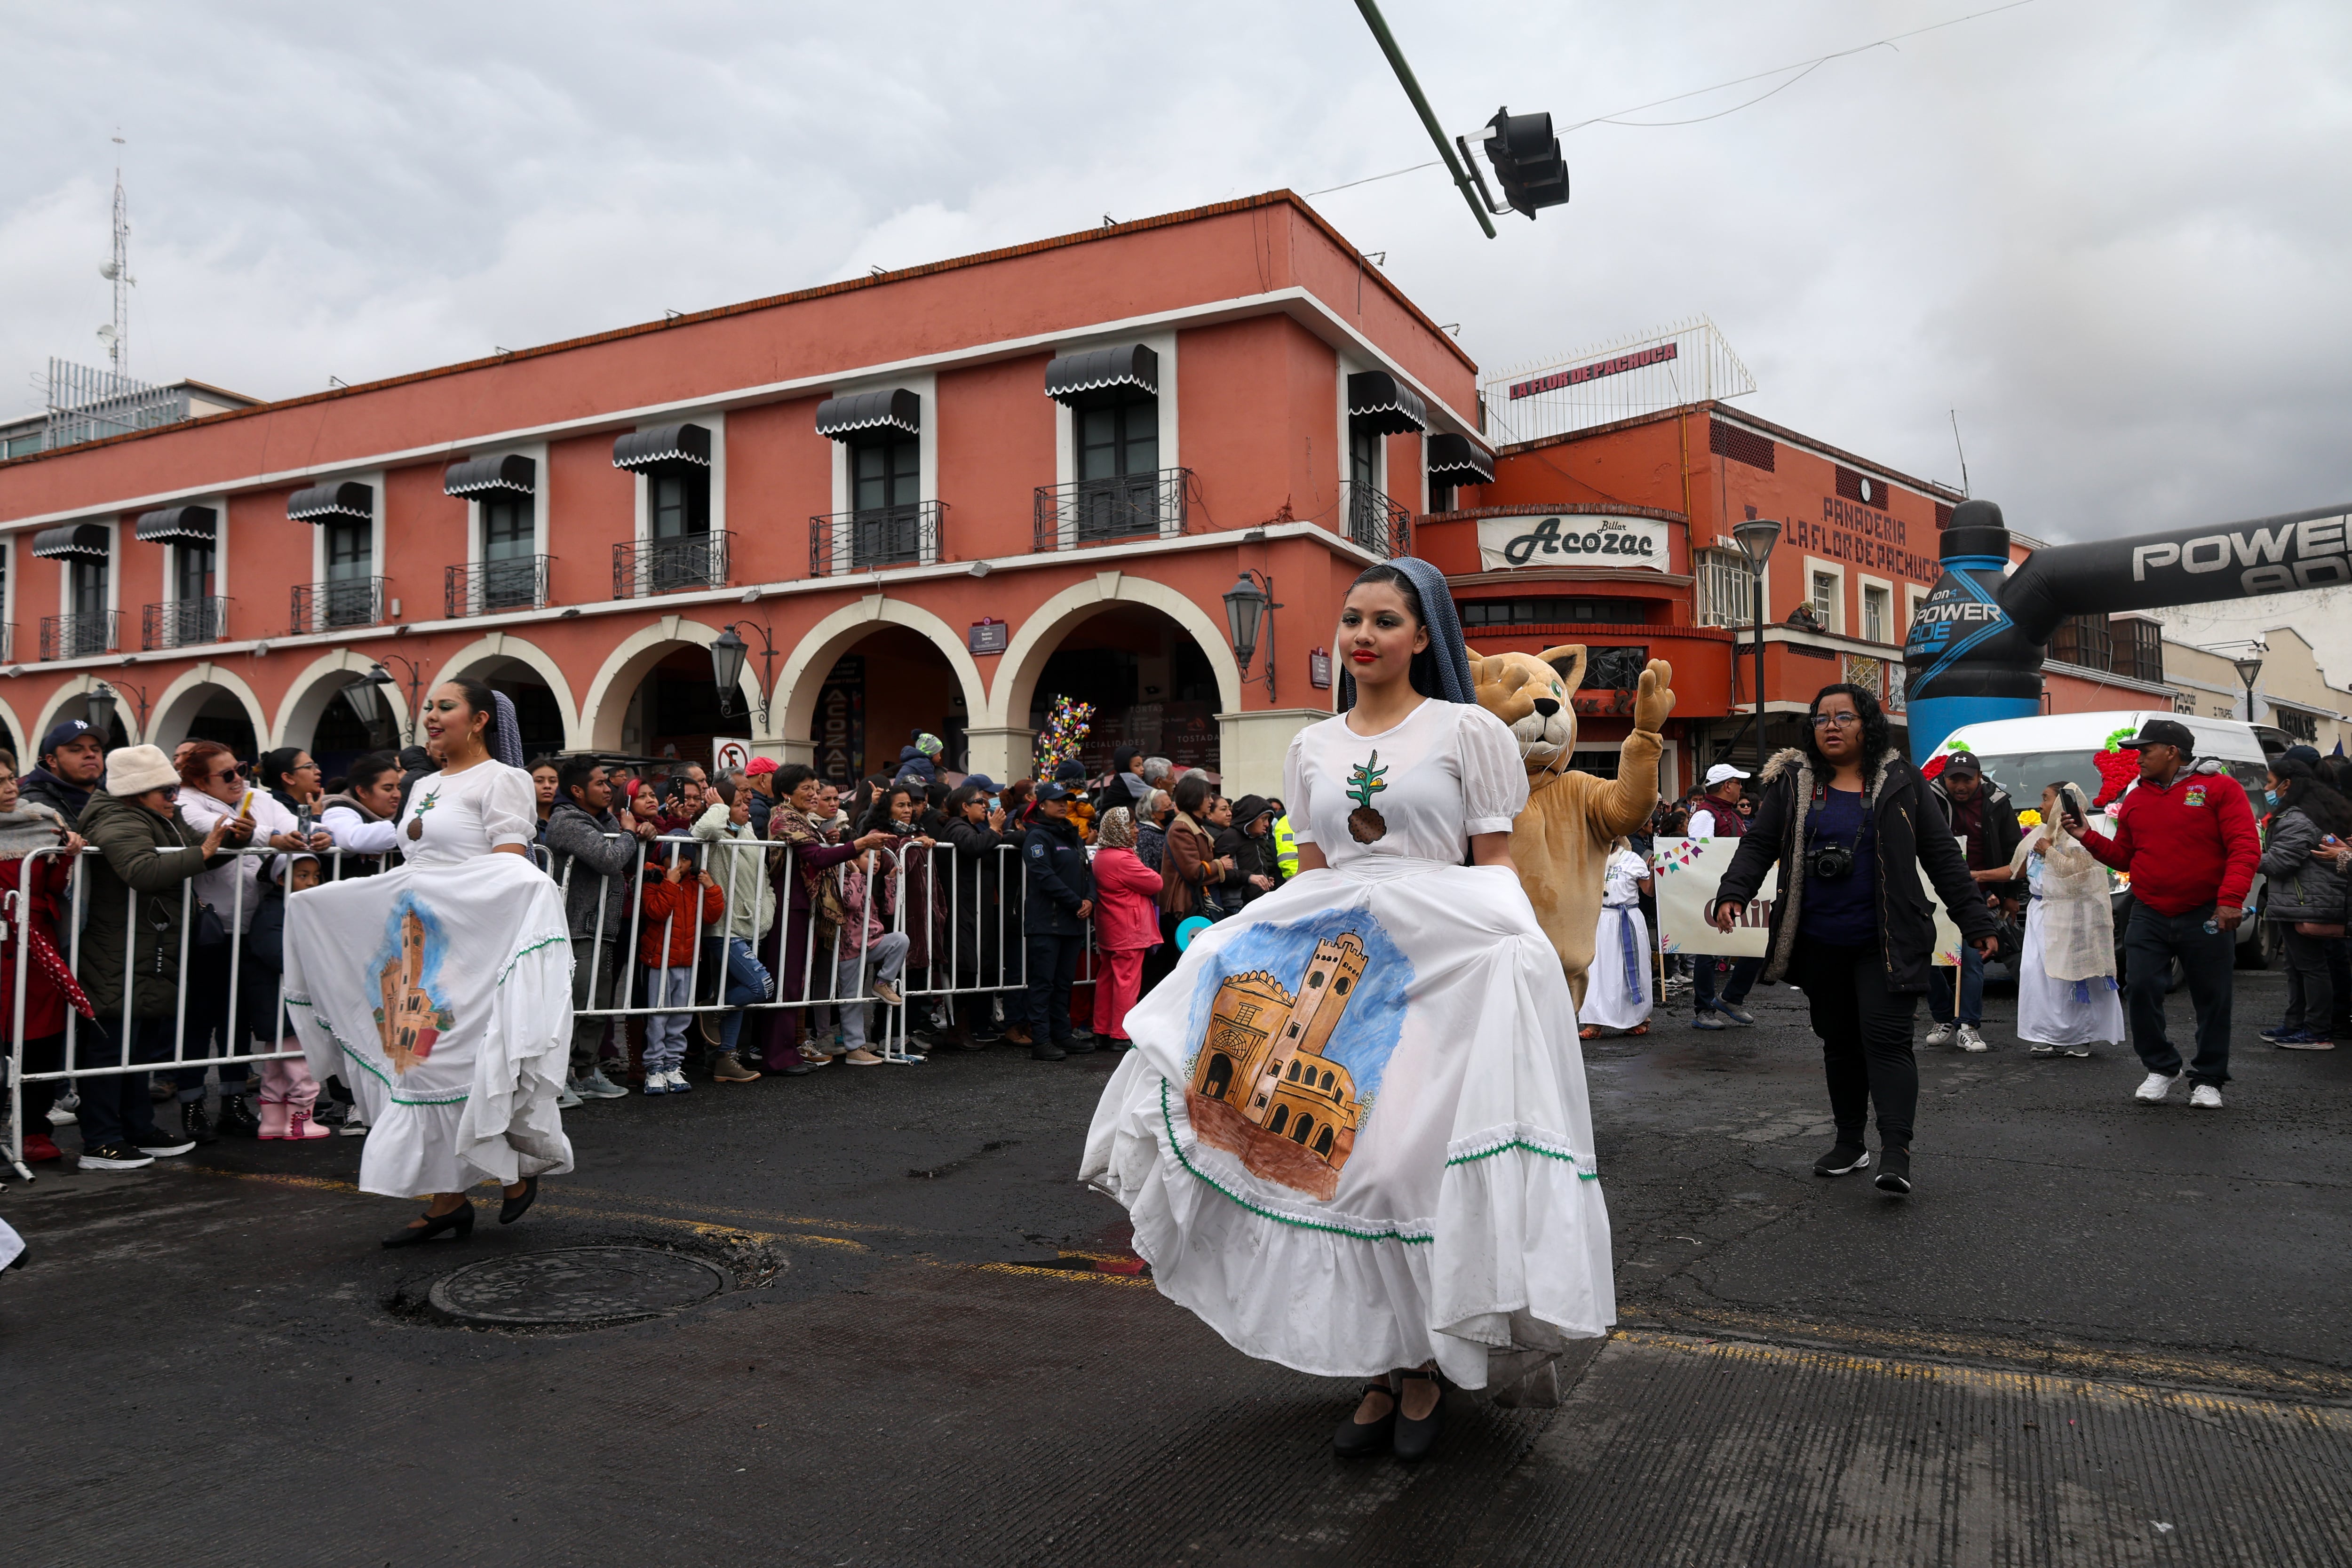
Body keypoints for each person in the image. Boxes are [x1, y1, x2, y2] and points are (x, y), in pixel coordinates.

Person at [1082, 558, 1614, 1464]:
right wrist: (1241, 948)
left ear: (1422, 638)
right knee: (1344, 1171)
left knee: (1407, 1172)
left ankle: (1426, 1367)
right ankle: (1382, 1363)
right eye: (1351, 619)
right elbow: (1317, 875)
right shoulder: (1311, 746)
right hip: (1348, 971)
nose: (1361, 635)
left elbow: (1491, 859)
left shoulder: (1469, 731)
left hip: (1443, 975)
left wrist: (1516, 957)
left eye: (1384, 620)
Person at [278, 679, 574, 1245]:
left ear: (481, 719)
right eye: (429, 708)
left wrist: (526, 899)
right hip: (415, 942)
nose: (431, 716)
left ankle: (495, 1177)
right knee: (417, 1062)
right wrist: (322, 904)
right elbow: (416, 865)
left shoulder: (504, 780)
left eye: (445, 707)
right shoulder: (422, 786)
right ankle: (455, 1198)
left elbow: (508, 867)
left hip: (473, 943)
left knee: (457, 1063)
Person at [1711, 683, 2000, 1196]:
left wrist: (1976, 921)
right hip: (1818, 940)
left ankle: (1895, 1152)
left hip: (1886, 938)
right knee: (1840, 1045)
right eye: (1821, 718)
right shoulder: (1794, 783)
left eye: (1843, 717)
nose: (1831, 726)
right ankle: (1850, 1143)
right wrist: (1733, 892)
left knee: (1886, 1043)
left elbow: (1940, 856)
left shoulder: (1903, 781)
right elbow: (1758, 845)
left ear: (1865, 722)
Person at [2065, 717, 2260, 1108]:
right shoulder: (2136, 797)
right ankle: (2161, 1066)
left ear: (2172, 751)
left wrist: (2230, 899)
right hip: (2150, 909)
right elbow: (2124, 855)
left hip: (2206, 911)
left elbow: (2244, 846)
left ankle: (2208, 1079)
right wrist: (2087, 835)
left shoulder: (2220, 788)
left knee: (2212, 997)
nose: (2138, 758)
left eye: (2145, 750)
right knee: (2140, 988)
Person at [70, 744, 239, 1170]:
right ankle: (102, 1140)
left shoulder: (157, 814)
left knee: (140, 1047)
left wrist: (236, 836)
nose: (174, 797)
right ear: (136, 791)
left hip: (148, 946)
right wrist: (201, 853)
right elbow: (142, 870)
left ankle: (138, 1129)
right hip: (117, 949)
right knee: (111, 1048)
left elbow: (199, 846)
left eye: (174, 789)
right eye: (165, 790)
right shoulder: (116, 817)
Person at [173, 741, 323, 1140]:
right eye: (227, 775)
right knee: (199, 1020)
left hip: (252, 926)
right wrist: (275, 839)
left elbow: (297, 825)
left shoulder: (257, 797)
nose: (239, 778)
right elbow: (218, 832)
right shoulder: (187, 802)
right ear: (200, 781)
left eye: (239, 768)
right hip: (210, 929)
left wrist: (319, 835)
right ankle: (191, 1104)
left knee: (239, 1020)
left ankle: (234, 1100)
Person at [756, 765, 895, 1074]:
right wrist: (857, 846)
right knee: (787, 982)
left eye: (815, 788)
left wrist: (830, 839)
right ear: (786, 792)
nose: (814, 794)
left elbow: (817, 850)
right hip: (790, 907)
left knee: (798, 983)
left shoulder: (801, 820)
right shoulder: (783, 818)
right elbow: (817, 857)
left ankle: (789, 1050)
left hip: (807, 907)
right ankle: (777, 1056)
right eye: (807, 788)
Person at [0, 752, 93, 1166]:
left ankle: (34, 1130)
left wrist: (68, 853)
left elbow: (52, 889)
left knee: (39, 1039)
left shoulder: (42, 820)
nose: (8, 788)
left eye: (9, 779)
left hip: (36, 945)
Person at [544, 757, 652, 1102]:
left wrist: (642, 834)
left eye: (609, 783)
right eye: (599, 783)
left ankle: (587, 1072)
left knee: (598, 1004)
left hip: (603, 925)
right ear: (577, 790)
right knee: (574, 1003)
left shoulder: (606, 821)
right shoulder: (567, 821)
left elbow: (624, 857)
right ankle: (555, 1078)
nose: (609, 789)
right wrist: (630, 834)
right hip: (577, 926)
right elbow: (607, 858)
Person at [2005, 782, 2125, 1059]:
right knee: (2038, 975)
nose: (2040, 805)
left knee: (2070, 978)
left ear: (2061, 804)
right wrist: (1976, 875)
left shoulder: (2079, 839)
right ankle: (2047, 1034)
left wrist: (2050, 852)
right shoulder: (2039, 834)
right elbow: (2017, 870)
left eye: (2045, 799)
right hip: (2041, 914)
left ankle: (2079, 1036)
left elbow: (2079, 874)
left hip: (2072, 917)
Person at [1923, 751, 2024, 1053]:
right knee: (1926, 957)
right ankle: (1943, 1018)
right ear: (1945, 778)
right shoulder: (1928, 798)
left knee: (1970, 957)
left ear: (1979, 778)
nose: (1960, 786)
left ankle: (1968, 1025)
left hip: (1975, 892)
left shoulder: (1998, 803)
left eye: (1967, 779)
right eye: (1954, 779)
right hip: (1930, 888)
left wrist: (2010, 895)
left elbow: (2013, 850)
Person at [2254, 756, 2350, 1050]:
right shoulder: (2309, 812)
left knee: (2310, 967)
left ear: (2287, 784)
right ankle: (2297, 1024)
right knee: (2298, 967)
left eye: (2270, 783)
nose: (2267, 788)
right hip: (2301, 899)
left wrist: (2243, 857)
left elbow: (2281, 862)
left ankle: (2316, 1032)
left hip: (2305, 900)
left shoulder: (2297, 818)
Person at [243, 851, 334, 1139]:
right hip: (286, 1002)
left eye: (316, 876)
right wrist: (313, 968)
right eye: (303, 876)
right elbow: (275, 952)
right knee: (300, 1063)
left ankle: (272, 1121)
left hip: (277, 1001)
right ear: (281, 880)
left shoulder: (286, 907)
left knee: (276, 1063)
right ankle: (299, 1122)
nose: (311, 882)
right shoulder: (276, 911)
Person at [692, 774, 776, 1080]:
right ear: (725, 806)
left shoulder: (747, 831)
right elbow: (704, 829)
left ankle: (725, 1060)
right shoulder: (716, 832)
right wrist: (719, 808)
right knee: (762, 986)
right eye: (739, 803)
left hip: (750, 926)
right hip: (723, 931)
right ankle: (712, 1007)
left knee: (737, 996)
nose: (747, 808)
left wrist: (765, 913)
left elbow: (763, 879)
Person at [636, 850, 725, 1092]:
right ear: (664, 858)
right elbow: (656, 912)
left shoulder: (695, 884)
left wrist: (712, 888)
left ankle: (673, 1065)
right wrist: (670, 884)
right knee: (657, 1016)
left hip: (686, 960)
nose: (681, 864)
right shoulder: (653, 878)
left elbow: (711, 916)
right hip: (659, 960)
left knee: (681, 1016)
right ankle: (654, 1067)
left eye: (686, 859)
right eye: (674, 857)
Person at [1018, 781, 1095, 1060]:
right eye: (1057, 800)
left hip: (1072, 922)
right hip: (1046, 923)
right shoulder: (1037, 837)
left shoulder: (1072, 835)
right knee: (1043, 983)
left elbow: (1088, 872)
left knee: (1064, 983)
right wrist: (1077, 902)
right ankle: (1041, 1040)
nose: (1064, 805)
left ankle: (1062, 1034)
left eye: (1067, 800)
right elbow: (1044, 876)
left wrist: (1090, 899)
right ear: (1042, 805)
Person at [1686, 764, 1762, 1030]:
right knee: (1707, 951)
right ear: (1728, 786)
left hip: (1735, 891)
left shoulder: (1730, 814)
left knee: (1757, 943)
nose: (1741, 787)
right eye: (1738, 782)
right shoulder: (1705, 816)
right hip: (1713, 893)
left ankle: (1731, 998)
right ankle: (1704, 1009)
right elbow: (1699, 856)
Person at [1089, 806, 1162, 1048]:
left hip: (1111, 927)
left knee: (1108, 978)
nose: (1136, 830)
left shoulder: (1103, 855)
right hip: (1129, 929)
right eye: (1131, 826)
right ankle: (1121, 1033)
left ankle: (1102, 1028)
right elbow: (1155, 882)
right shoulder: (1123, 858)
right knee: (1127, 981)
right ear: (1119, 830)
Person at [1581, 840, 1654, 1038]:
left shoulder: (1632, 860)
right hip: (1600, 920)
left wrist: (1654, 871)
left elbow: (1648, 891)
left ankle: (1639, 1019)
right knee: (1598, 970)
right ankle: (1594, 1023)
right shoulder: (1591, 857)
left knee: (1628, 971)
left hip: (1627, 919)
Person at [317, 751, 405, 876]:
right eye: (388, 789)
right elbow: (354, 839)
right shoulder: (338, 810)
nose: (397, 795)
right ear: (363, 792)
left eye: (399, 788)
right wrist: (409, 832)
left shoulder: (406, 808)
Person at [21, 718, 106, 824]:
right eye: (76, 750)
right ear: (52, 761)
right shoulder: (31, 805)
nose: (91, 754)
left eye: (95, 750)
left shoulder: (118, 797)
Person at [1211, 795, 1281, 916]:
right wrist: (1250, 878)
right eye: (1263, 819)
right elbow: (1221, 873)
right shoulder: (1230, 837)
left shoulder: (1258, 839)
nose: (1267, 824)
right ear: (1250, 818)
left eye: (1268, 819)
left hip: (1257, 902)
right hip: (1238, 906)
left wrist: (1264, 879)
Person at [258, 746, 326, 819]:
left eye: (315, 767)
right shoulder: (275, 811)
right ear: (288, 778)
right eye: (309, 767)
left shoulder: (317, 806)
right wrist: (316, 815)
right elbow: (304, 830)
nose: (318, 772)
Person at [529, 756, 562, 843]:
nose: (547, 786)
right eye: (539, 781)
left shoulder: (568, 820)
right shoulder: (523, 821)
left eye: (553, 781)